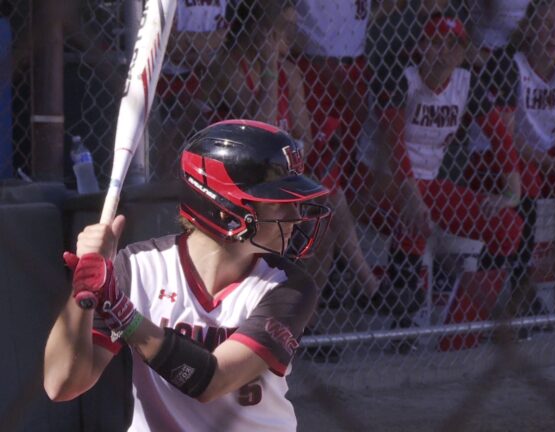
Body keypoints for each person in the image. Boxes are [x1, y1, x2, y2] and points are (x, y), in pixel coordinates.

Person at [43, 120, 332, 432]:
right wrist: (84, 290)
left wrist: (122, 313)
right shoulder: (140, 268)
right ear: (225, 212)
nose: (295, 218)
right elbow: (62, 386)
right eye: (279, 206)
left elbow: (211, 380)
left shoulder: (287, 286)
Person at [359, 14, 525, 351]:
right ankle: (403, 325)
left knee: (508, 226)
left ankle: (465, 325)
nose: (443, 52)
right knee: (415, 218)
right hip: (379, 182)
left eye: (453, 46)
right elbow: (394, 145)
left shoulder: (465, 83)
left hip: (427, 189)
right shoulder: (399, 76)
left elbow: (500, 138)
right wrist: (413, 197)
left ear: (463, 53)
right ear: (420, 45)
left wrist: (512, 188)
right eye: (435, 42)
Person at [207, 0, 379, 322]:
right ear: (261, 31)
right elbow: (262, 130)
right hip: (242, 181)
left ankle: (305, 317)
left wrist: (288, 155)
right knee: (325, 199)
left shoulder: (292, 73)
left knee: (327, 204)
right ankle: (368, 285)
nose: (291, 37)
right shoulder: (232, 68)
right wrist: (270, 69)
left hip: (280, 175)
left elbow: (306, 137)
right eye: (283, 31)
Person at [476, 0, 555, 299]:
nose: (553, 33)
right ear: (530, 27)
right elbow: (506, 140)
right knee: (531, 180)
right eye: (546, 24)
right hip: (500, 158)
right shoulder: (508, 62)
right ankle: (521, 285)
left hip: (549, 155)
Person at [293, 0, 371, 189]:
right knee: (311, 144)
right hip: (313, 63)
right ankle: (305, 202)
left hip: (355, 62)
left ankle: (339, 203)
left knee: (348, 147)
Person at [149, 0, 231, 179]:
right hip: (170, 81)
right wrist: (209, 44)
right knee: (169, 152)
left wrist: (188, 42)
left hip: (211, 76)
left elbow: (230, 34)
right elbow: (168, 43)